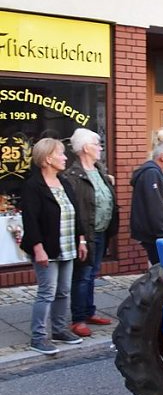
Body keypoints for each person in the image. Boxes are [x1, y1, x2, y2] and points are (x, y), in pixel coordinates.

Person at [19, 137, 86, 355]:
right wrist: (38, 248)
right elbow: (31, 220)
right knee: (47, 292)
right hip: (46, 248)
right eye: (61, 153)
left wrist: (81, 239)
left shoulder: (64, 182)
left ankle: (59, 330)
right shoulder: (33, 186)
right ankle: (38, 337)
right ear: (48, 158)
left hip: (67, 246)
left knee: (63, 291)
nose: (65, 157)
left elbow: (76, 213)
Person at [63, 128, 119, 337]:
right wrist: (81, 238)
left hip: (102, 230)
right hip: (87, 233)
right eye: (97, 144)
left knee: (92, 273)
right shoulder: (73, 176)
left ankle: (89, 311)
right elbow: (76, 210)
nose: (100, 148)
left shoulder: (100, 170)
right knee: (83, 275)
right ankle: (78, 319)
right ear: (86, 148)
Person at [131, 140, 163, 265]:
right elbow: (155, 208)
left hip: (158, 234)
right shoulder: (151, 174)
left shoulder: (157, 173)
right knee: (161, 270)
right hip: (155, 236)